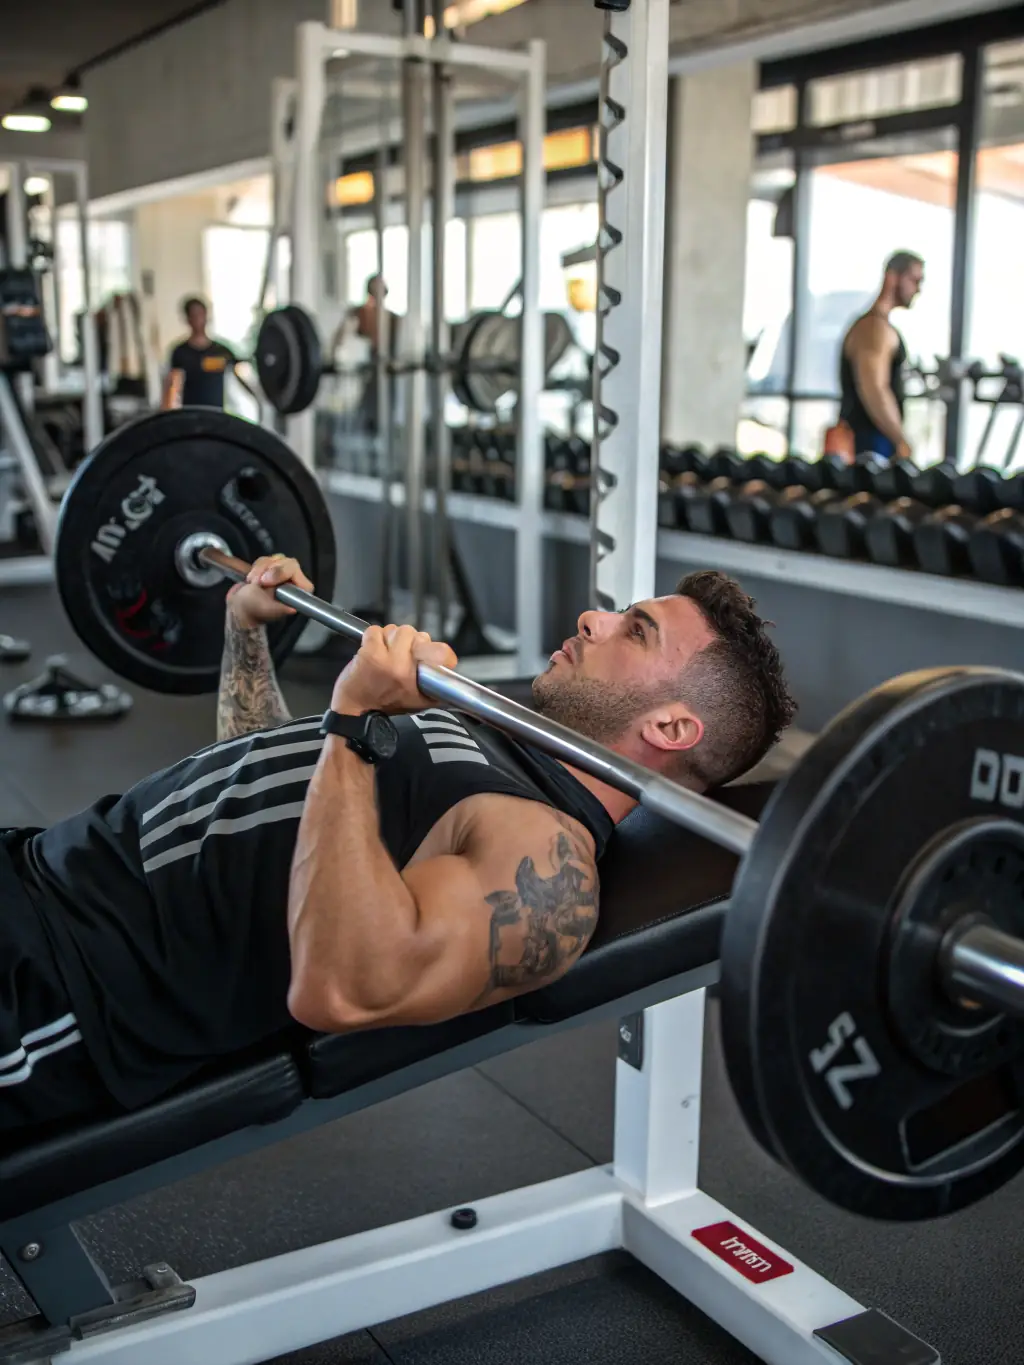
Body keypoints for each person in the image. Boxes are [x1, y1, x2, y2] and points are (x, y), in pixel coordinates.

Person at [0, 560, 795, 1134]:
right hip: (37, 868)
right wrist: (246, 634)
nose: (595, 618)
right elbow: (272, 793)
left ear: (669, 727)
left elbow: (345, 990)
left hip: (61, 993)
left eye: (635, 629)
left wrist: (354, 719)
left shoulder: (547, 860)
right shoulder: (487, 725)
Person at [828, 251, 925, 463]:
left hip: (876, 441)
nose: (918, 289)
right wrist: (900, 440)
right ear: (892, 277)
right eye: (914, 280)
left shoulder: (879, 328)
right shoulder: (874, 329)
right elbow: (874, 389)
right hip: (868, 445)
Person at [161, 296, 257, 411]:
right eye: (194, 315)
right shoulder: (180, 352)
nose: (198, 319)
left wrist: (256, 398)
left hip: (217, 414)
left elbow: (238, 375)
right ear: (187, 319)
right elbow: (171, 385)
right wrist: (166, 413)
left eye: (201, 314)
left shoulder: (221, 351)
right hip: (191, 414)